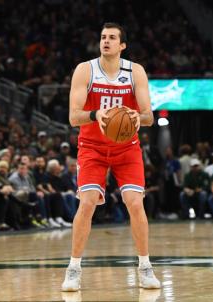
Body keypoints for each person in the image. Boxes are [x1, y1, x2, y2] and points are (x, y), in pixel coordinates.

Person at [62, 23, 160, 291]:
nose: (106, 41)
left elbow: (149, 116)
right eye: (103, 37)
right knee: (88, 202)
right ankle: (73, 268)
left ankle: (145, 266)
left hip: (126, 147)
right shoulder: (86, 70)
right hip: (92, 146)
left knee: (134, 202)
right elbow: (73, 117)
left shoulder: (134, 71)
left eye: (112, 38)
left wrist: (135, 118)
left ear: (122, 45)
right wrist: (96, 115)